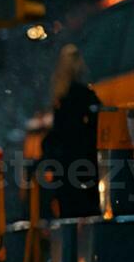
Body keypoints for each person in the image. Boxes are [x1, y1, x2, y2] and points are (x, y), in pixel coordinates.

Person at [44, 44, 102, 220]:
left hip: (67, 163)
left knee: (69, 213)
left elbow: (58, 132)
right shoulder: (86, 96)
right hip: (86, 160)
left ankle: (71, 245)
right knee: (88, 210)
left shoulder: (61, 98)